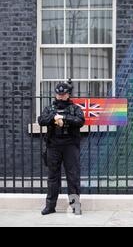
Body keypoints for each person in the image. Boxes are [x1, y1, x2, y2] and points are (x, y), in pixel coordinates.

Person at [38, 81, 85, 215]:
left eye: (63, 94)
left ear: (68, 94)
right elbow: (41, 120)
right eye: (58, 94)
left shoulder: (75, 108)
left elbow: (80, 121)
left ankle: (75, 206)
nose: (60, 96)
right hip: (53, 146)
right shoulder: (49, 109)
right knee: (53, 177)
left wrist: (64, 118)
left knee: (73, 176)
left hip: (70, 146)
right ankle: (50, 206)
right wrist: (54, 118)